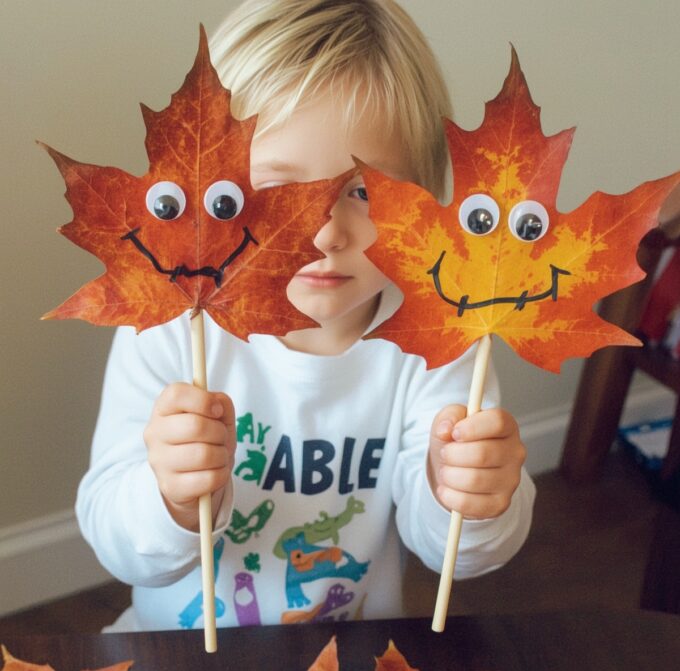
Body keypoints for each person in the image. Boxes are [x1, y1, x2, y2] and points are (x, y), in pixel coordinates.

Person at [77, 0, 535, 631]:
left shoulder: (438, 341)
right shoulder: (171, 330)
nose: (323, 234)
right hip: (177, 662)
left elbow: (454, 552)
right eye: (280, 193)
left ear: (424, 201)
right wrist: (171, 501)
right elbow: (117, 545)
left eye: (363, 191)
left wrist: (468, 498)